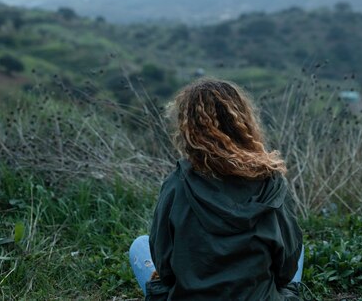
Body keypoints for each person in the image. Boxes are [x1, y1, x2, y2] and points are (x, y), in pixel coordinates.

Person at [129, 79, 304, 300]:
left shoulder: (177, 183)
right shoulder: (271, 181)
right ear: (243, 121)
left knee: (140, 245)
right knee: (298, 247)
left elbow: (165, 268)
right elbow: (285, 268)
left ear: (188, 129)